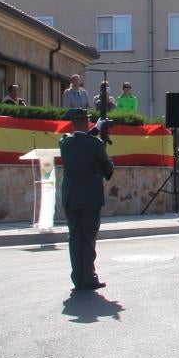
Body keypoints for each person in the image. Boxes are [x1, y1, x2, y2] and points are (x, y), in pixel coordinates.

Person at [58, 107, 114, 291]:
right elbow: (108, 171)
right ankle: (88, 277)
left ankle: (78, 277)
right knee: (88, 238)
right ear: (87, 121)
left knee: (75, 237)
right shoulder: (95, 144)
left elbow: (81, 141)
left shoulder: (64, 142)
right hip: (90, 196)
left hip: (71, 196)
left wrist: (95, 130)